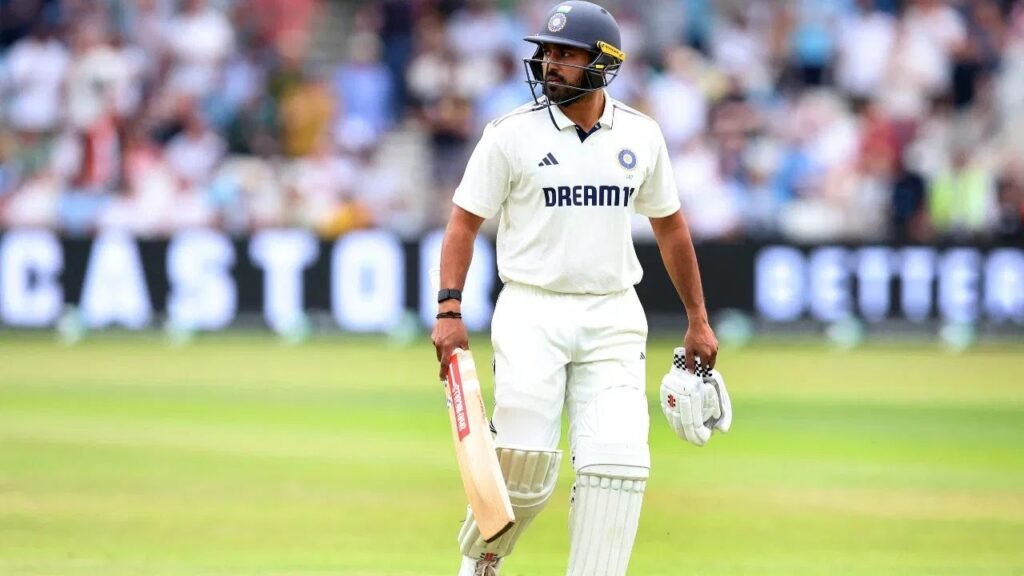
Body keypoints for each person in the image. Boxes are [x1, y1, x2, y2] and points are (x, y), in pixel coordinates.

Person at [430, 2, 719, 574]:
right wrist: (449, 309)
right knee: (521, 470)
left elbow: (671, 228)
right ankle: (480, 566)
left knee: (617, 466)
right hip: (531, 310)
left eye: (567, 54)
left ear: (603, 64)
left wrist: (698, 320)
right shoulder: (509, 135)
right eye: (547, 52)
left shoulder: (641, 134)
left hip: (613, 314)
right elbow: (463, 223)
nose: (550, 63)